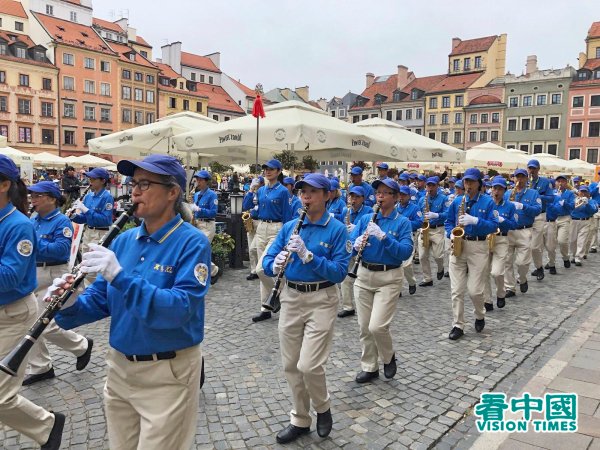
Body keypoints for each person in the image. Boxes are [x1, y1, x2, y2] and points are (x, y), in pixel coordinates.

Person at [48, 155, 210, 449]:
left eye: (145, 184)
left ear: (172, 192)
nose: (134, 191)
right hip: (120, 369)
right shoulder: (123, 241)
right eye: (134, 183)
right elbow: (100, 301)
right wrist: (69, 301)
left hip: (167, 373)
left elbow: (180, 309)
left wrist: (119, 276)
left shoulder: (193, 242)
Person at [261, 173, 350, 444]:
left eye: (312, 192)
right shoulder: (290, 226)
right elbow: (267, 258)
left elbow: (339, 272)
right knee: (290, 365)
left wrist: (310, 257)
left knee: (309, 365)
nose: (306, 197)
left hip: (321, 298)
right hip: (291, 297)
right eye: (302, 192)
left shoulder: (337, 229)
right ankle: (300, 418)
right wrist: (273, 265)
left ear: (326, 195)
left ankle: (322, 407)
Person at [0, 155, 65, 450]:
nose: (36, 198)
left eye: (42, 195)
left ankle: (46, 424)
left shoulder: (18, 225)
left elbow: (11, 276)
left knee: (1, 394)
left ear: (4, 185)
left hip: (12, 313)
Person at [22, 181, 93, 386]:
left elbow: (61, 251)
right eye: (32, 195)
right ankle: (41, 367)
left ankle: (81, 346)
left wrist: (33, 242)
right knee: (30, 322)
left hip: (53, 273)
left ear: (52, 199)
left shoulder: (61, 221)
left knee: (45, 323)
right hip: (35, 272)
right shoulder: (34, 219)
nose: (32, 199)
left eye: (38, 196)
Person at [349, 178, 413, 383]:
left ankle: (388, 356)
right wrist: (355, 244)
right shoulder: (366, 218)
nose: (381, 197)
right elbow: (348, 243)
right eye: (378, 193)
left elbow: (405, 252)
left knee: (377, 326)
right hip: (364, 274)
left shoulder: (402, 222)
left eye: (386, 193)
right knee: (364, 326)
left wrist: (385, 238)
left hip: (389, 277)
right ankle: (369, 366)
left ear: (395, 198)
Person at [445, 168, 498, 340]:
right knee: (456, 290)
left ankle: (479, 314)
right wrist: (450, 233)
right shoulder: (457, 201)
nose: (468, 185)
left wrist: (475, 221)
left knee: (475, 291)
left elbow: (493, 225)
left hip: (478, 246)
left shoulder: (488, 202)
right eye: (466, 182)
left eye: (471, 182)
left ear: (479, 184)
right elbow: (447, 222)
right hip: (458, 245)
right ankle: (458, 325)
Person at [252, 159, 293, 323]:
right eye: (265, 169)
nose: (267, 171)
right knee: (264, 270)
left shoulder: (283, 191)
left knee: (261, 269)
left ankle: (279, 294)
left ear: (278, 172)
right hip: (261, 227)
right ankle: (265, 307)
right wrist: (251, 191)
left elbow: (287, 216)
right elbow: (251, 208)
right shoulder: (261, 190)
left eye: (271, 169)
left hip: (276, 229)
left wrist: (287, 236)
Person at [71, 168, 114, 286]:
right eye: (90, 178)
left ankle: (95, 291)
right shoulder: (89, 196)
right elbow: (85, 218)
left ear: (102, 181)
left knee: (95, 265)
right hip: (88, 232)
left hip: (101, 232)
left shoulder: (107, 197)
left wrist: (86, 210)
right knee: (85, 263)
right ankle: (86, 290)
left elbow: (105, 219)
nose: (90, 181)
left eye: (93, 179)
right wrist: (74, 215)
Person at [503, 169, 541, 298]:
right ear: (513, 179)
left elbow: (537, 210)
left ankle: (523, 278)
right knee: (507, 261)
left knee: (522, 262)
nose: (519, 180)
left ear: (526, 179)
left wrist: (523, 206)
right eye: (517, 177)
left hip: (525, 230)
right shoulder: (507, 193)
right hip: (509, 230)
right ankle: (509, 287)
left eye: (522, 177)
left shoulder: (533, 193)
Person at [337, 186, 373, 318]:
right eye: (352, 196)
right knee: (345, 279)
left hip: (365, 250)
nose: (354, 200)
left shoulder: (368, 211)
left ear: (363, 198)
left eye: (357, 197)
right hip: (350, 248)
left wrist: (356, 228)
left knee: (364, 280)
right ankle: (348, 306)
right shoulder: (346, 210)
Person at [483, 176, 517, 311]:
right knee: (484, 271)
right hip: (486, 238)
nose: (496, 192)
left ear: (504, 191)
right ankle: (487, 300)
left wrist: (503, 220)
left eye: (500, 189)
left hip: (501, 239)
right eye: (495, 188)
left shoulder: (510, 206)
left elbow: (514, 225)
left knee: (497, 272)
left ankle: (501, 293)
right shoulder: (486, 203)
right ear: (491, 189)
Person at [190, 170, 220, 284]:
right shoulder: (197, 194)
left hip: (207, 225)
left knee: (201, 250)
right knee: (197, 250)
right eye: (197, 179)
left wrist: (199, 209)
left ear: (206, 181)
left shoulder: (212, 195)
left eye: (201, 180)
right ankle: (208, 273)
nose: (198, 182)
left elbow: (213, 212)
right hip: (197, 223)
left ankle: (212, 271)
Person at [418, 177, 448, 287]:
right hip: (425, 229)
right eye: (428, 185)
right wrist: (421, 222)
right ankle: (427, 278)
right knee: (422, 256)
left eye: (432, 185)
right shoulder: (422, 199)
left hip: (437, 229)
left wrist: (436, 215)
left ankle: (441, 268)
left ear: (437, 186)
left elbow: (448, 213)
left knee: (438, 256)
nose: (430, 188)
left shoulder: (444, 198)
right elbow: (419, 214)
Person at [527, 159, 554, 281]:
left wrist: (537, 195)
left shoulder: (545, 182)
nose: (531, 171)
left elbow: (551, 198)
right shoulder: (524, 181)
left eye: (534, 168)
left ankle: (539, 267)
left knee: (534, 246)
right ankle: (524, 273)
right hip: (525, 216)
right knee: (524, 246)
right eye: (530, 168)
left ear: (538, 169)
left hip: (539, 215)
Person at [545, 174, 576, 273]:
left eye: (563, 181)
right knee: (550, 244)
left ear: (566, 183)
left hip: (564, 218)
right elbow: (547, 205)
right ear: (555, 183)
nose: (560, 183)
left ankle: (565, 257)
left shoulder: (570, 193)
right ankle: (551, 263)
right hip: (552, 219)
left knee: (562, 241)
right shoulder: (552, 193)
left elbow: (572, 206)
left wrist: (564, 203)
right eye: (558, 181)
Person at [396, 185, 423, 296]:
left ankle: (411, 282)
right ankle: (398, 289)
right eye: (400, 194)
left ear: (409, 196)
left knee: (406, 264)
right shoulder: (395, 207)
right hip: (396, 236)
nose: (401, 197)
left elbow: (420, 222)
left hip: (409, 235)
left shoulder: (414, 208)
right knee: (398, 264)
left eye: (404, 195)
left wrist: (406, 223)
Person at [570, 185, 598, 266]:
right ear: (578, 192)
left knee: (581, 241)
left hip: (585, 221)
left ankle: (578, 258)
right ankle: (574, 255)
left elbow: (593, 210)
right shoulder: (574, 199)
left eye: (585, 191)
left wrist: (587, 204)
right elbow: (571, 209)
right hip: (574, 221)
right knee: (572, 240)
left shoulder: (592, 201)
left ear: (588, 193)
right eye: (581, 191)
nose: (583, 193)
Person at [242, 176, 264, 281]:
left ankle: (260, 269)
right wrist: (250, 190)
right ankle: (253, 270)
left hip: (260, 222)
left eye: (257, 184)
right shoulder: (253, 193)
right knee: (251, 248)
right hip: (251, 221)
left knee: (255, 248)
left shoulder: (264, 193)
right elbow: (246, 205)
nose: (256, 186)